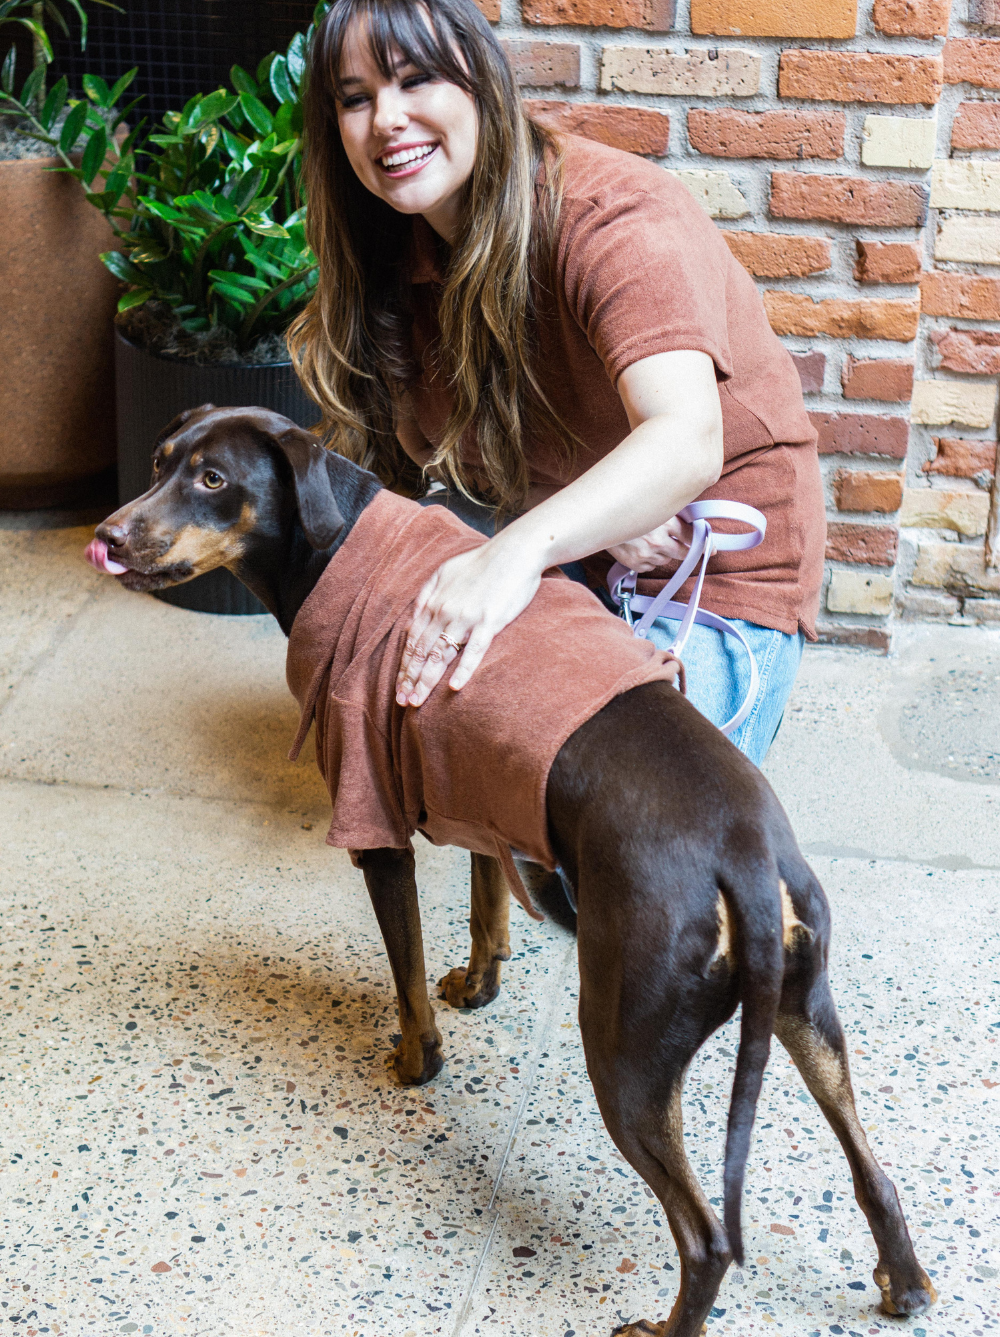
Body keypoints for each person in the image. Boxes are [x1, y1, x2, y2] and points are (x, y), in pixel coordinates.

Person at [289, 0, 825, 768]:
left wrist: (521, 548)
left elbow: (685, 440)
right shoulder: (389, 255)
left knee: (630, 811)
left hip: (710, 568)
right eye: (355, 97)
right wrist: (589, 518)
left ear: (482, 80)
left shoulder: (612, 216)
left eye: (416, 79)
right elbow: (425, 470)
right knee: (392, 700)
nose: (385, 120)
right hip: (565, 534)